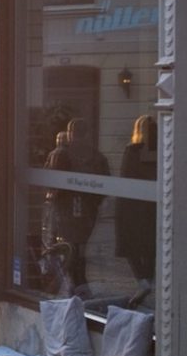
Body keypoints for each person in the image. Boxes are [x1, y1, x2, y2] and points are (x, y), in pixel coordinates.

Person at [44, 118, 108, 294]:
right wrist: (93, 202)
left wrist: (55, 201)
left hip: (66, 209)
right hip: (87, 211)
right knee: (79, 247)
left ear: (70, 133)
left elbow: (51, 181)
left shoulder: (62, 154)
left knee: (68, 247)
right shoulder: (96, 155)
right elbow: (104, 183)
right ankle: (78, 282)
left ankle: (72, 283)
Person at [116, 115, 157, 306]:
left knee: (129, 243)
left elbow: (125, 178)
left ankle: (142, 280)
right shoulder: (160, 153)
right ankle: (150, 280)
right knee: (150, 244)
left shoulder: (132, 150)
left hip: (133, 206)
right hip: (151, 206)